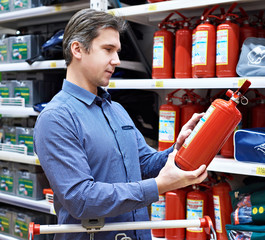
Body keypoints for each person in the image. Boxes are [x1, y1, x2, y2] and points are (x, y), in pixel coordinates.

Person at [34, 8, 207, 240]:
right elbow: (81, 199)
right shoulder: (57, 118)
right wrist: (158, 186)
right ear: (77, 49)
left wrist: (179, 150)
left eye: (117, 51)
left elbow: (143, 163)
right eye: (108, 50)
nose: (116, 60)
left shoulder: (115, 109)